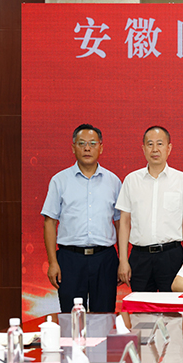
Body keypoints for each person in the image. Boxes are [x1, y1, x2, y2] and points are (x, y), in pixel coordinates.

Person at [41, 124, 121, 312]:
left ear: (101, 147)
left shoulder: (114, 181)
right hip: (70, 259)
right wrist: (53, 262)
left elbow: (120, 223)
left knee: (104, 316)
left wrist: (122, 260)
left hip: (105, 259)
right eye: (82, 143)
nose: (87, 148)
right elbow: (49, 222)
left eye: (92, 143)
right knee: (71, 317)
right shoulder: (59, 180)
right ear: (73, 147)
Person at [116, 126, 183, 292]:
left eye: (160, 144)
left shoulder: (182, 180)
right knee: (141, 306)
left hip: (171, 256)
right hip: (140, 257)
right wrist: (123, 259)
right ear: (143, 148)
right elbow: (124, 222)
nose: (155, 149)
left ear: (169, 148)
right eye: (150, 144)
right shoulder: (131, 180)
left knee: (172, 306)